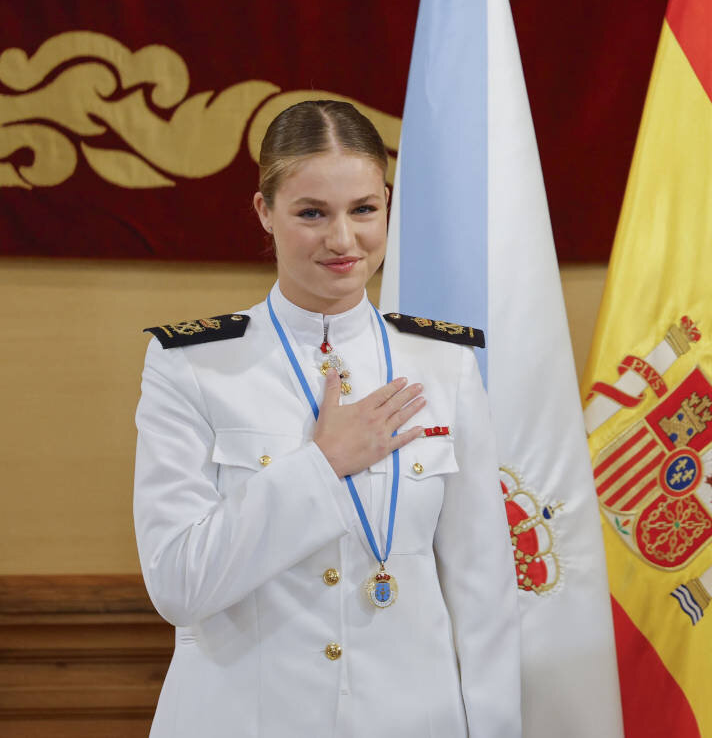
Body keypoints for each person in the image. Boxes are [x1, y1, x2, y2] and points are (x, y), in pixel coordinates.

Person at [134, 100, 521, 737]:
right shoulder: (195, 366)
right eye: (312, 213)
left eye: (363, 209)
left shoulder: (443, 363)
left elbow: (484, 591)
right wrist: (321, 465)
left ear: (387, 204)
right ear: (265, 211)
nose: (343, 240)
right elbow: (179, 585)